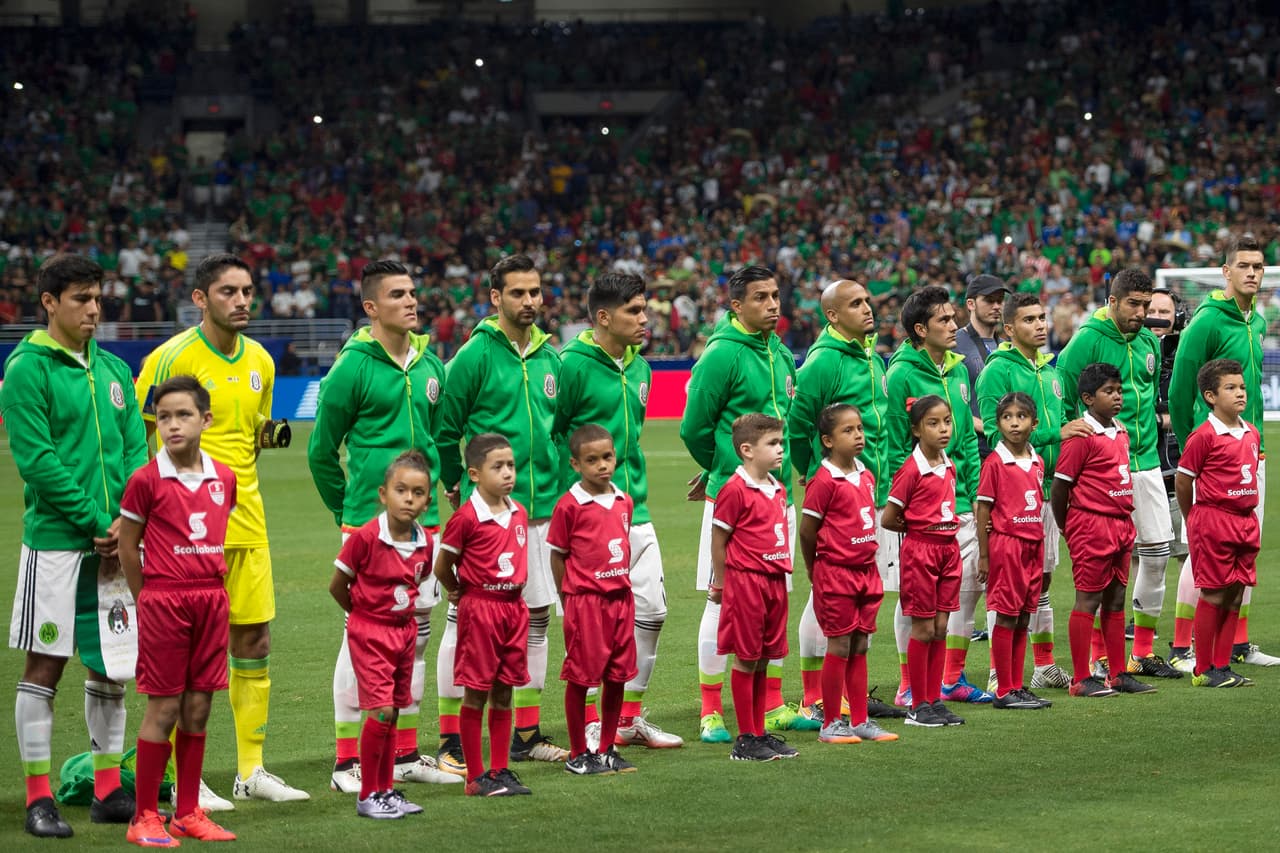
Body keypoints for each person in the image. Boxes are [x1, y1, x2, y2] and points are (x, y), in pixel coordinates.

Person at [135, 253, 307, 806]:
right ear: (200, 299)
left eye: (248, 290)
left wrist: (266, 430)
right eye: (229, 291)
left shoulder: (261, 358)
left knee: (253, 640)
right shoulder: (170, 358)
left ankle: (251, 771)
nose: (242, 301)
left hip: (248, 522)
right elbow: (143, 434)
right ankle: (191, 782)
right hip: (186, 533)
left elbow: (245, 424)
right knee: (191, 659)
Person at [3, 254, 148, 838]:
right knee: (45, 665)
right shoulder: (27, 369)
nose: (93, 310)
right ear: (49, 303)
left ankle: (108, 789)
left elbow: (136, 450)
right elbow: (38, 463)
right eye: (80, 300)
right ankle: (39, 798)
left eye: (97, 298)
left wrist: (128, 523)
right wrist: (98, 520)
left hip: (116, 546)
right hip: (58, 546)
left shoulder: (113, 369)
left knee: (111, 666)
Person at [307, 259, 457, 792]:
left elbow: (440, 443)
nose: (412, 301)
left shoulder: (430, 365)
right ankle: (348, 761)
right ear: (371, 307)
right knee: (363, 643)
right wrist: (347, 515)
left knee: (413, 639)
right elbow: (322, 451)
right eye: (398, 294)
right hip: (370, 528)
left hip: (427, 527)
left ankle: (406, 752)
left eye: (413, 292)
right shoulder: (352, 368)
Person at [436, 254, 568, 768]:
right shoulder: (472, 356)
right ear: (496, 298)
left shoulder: (548, 357)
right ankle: (450, 739)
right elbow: (447, 429)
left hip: (540, 512)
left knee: (536, 619)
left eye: (535, 292)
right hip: (493, 513)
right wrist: (454, 482)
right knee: (463, 621)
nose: (530, 302)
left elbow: (556, 429)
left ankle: (526, 734)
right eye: (518, 293)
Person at [554, 272, 682, 750]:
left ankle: (627, 719)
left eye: (645, 309)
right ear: (604, 317)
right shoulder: (569, 365)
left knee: (652, 611)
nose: (645, 319)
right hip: (589, 515)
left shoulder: (642, 369)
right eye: (635, 311)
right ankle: (590, 722)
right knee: (592, 626)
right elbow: (553, 434)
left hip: (636, 508)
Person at [680, 265, 803, 743]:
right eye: (760, 297)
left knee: (774, 598)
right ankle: (711, 711)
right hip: (735, 502)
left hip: (780, 500)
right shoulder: (721, 355)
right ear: (736, 306)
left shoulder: (781, 353)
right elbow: (695, 426)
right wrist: (728, 473)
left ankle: (771, 705)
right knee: (720, 597)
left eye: (775, 296)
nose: (773, 304)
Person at [118, 376, 238, 846]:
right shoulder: (146, 479)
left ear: (205, 419)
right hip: (164, 599)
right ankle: (144, 816)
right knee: (164, 706)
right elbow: (129, 547)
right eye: (163, 417)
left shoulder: (223, 477)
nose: (172, 425)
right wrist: (145, 597)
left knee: (199, 705)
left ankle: (187, 811)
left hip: (210, 597)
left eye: (183, 414)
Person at [1056, 269, 1180, 680]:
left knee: (1159, 552)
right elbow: (1064, 387)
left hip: (1144, 460)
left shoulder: (1148, 341)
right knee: (1112, 562)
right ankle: (1100, 656)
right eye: (1134, 304)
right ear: (1112, 301)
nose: (1142, 313)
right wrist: (1066, 430)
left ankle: (1141, 652)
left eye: (1146, 305)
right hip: (1102, 467)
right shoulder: (1088, 339)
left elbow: (1149, 394)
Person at [788, 279, 901, 723]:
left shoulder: (869, 354)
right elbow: (799, 425)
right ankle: (815, 696)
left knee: (859, 593)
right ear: (832, 315)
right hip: (838, 492)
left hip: (867, 486)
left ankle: (847, 696)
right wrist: (813, 470)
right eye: (855, 304)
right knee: (825, 596)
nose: (867, 309)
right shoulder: (823, 362)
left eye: (867, 301)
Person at [1169, 235, 1280, 668]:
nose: (1253, 272)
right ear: (1226, 272)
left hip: (1254, 451)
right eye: (1245, 265)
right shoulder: (1206, 323)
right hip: (1214, 455)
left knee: (1245, 546)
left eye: (1259, 266)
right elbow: (1180, 390)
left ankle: (1237, 643)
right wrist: (1195, 444)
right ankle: (1182, 647)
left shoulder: (1258, 321)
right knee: (1203, 548)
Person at [883, 285, 989, 707]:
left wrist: (979, 497)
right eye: (944, 320)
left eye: (953, 317)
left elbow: (964, 443)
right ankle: (909, 684)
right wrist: (905, 502)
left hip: (960, 501)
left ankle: (951, 678)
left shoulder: (960, 370)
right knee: (914, 595)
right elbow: (893, 445)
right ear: (920, 329)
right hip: (920, 507)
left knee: (961, 590)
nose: (954, 325)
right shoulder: (900, 373)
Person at [974, 292, 1081, 690]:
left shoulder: (1052, 373)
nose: (1040, 325)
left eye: (1042, 318)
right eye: (1030, 319)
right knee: (1006, 586)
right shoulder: (996, 371)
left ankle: (1043, 665)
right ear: (1009, 328)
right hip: (1010, 491)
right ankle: (996, 671)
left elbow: (1067, 425)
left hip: (1050, 487)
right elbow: (988, 425)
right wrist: (1057, 432)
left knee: (1042, 579)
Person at [329, 451, 435, 819]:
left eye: (418, 493)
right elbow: (338, 585)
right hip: (371, 630)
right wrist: (363, 614)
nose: (409, 498)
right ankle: (368, 794)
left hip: (404, 630)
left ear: (428, 500)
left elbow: (416, 580)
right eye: (401, 490)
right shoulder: (366, 537)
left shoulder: (425, 543)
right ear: (382, 493)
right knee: (382, 709)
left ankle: (387, 790)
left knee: (395, 710)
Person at [432, 434, 534, 797]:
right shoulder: (465, 518)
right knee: (476, 692)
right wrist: (457, 589)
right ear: (474, 474)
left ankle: (500, 769)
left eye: (510, 465)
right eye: (498, 467)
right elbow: (443, 564)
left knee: (504, 692)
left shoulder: (519, 512)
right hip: (481, 609)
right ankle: (475, 777)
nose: (507, 473)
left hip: (513, 609)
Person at [1051, 363, 1157, 698]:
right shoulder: (1082, 436)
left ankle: (1117, 674)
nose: (1116, 397)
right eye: (1108, 392)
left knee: (1115, 598)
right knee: (1088, 598)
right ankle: (1081, 677)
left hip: (1121, 523)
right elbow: (1060, 486)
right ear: (1087, 397)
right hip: (1091, 524)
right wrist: (1067, 525)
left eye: (1119, 390)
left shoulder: (1120, 431)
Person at [797, 404, 898, 744]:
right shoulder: (823, 480)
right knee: (838, 645)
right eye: (847, 431)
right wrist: (815, 568)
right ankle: (829, 722)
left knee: (860, 644)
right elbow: (807, 530)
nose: (858, 435)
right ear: (827, 439)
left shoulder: (866, 474)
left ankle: (859, 720)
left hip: (866, 571)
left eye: (859, 428)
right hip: (836, 572)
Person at [548, 425, 639, 775]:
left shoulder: (623, 500)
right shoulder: (570, 505)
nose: (602, 465)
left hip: (620, 599)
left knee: (617, 676)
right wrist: (567, 598)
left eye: (607, 457)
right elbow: (558, 555)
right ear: (575, 464)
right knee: (582, 677)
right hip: (586, 602)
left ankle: (607, 747)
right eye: (592, 460)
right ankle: (577, 752)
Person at [708, 414, 799, 761]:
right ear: (747, 450)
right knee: (746, 659)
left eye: (780, 442)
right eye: (772, 444)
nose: (780, 449)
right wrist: (724, 583)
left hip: (774, 580)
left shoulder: (776, 487)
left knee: (763, 658)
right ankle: (745, 738)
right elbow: (719, 541)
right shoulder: (733, 489)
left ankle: (759, 731)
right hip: (746, 582)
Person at [881, 396, 966, 728]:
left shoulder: (947, 462)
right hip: (922, 551)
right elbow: (889, 517)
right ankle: (918, 705)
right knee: (924, 627)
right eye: (933, 423)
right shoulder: (912, 469)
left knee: (942, 628)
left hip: (948, 549)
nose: (943, 429)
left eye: (946, 421)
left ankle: (934, 699)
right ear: (916, 430)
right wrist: (917, 527)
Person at [1175, 360, 1259, 688]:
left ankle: (1223, 666)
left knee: (1236, 594)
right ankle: (1203, 668)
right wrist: (1192, 516)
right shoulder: (1204, 436)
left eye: (1241, 387)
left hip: (1245, 522)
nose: (1240, 393)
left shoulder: (1250, 431)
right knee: (1213, 594)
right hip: (1213, 521)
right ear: (1210, 396)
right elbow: (1184, 481)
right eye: (1230, 388)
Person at [975, 392, 1052, 710]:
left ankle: (1017, 686)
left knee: (1023, 618)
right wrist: (984, 553)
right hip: (1007, 546)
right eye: (1007, 417)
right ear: (998, 423)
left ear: (1034, 423)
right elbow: (983, 508)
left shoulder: (1037, 460)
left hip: (1033, 544)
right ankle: (1004, 689)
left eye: (1021, 417)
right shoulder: (995, 462)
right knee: (1006, 617)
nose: (1014, 422)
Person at [1147, 289, 1195, 673]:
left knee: (1186, 553)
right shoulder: (1137, 349)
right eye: (1152, 311)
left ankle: (1183, 638)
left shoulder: (1186, 351)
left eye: (1165, 311)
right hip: (1146, 468)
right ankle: (1141, 625)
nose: (1159, 318)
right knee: (1146, 556)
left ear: (1178, 314)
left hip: (1179, 468)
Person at [954, 274, 1010, 459]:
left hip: (1005, 448)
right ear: (971, 304)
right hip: (971, 449)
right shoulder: (954, 343)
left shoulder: (1006, 346)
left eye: (1000, 301)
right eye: (989, 300)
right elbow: (943, 397)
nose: (996, 306)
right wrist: (985, 426)